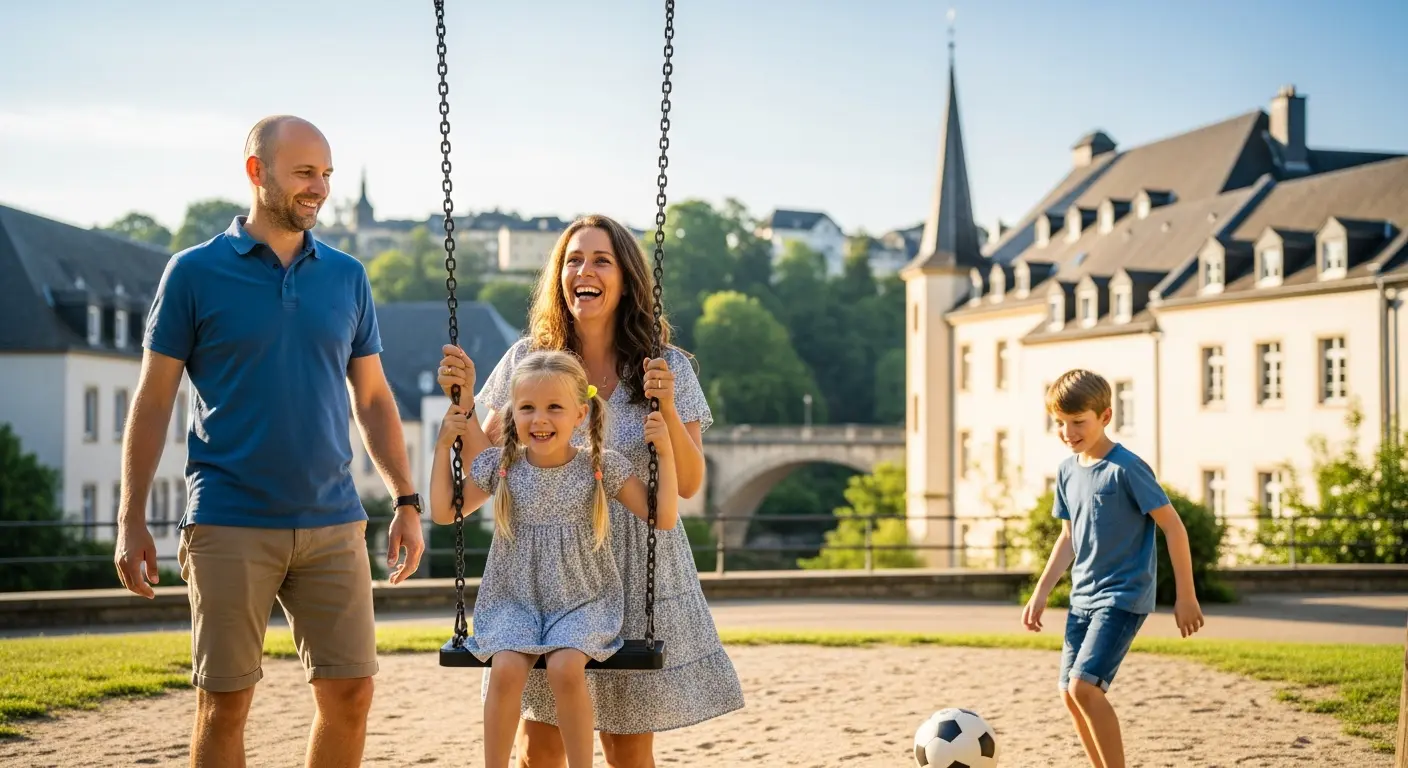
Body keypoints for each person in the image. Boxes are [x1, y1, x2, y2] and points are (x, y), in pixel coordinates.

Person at [112, 115, 426, 768]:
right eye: (305, 173)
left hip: (333, 521)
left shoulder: (347, 277)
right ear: (257, 172)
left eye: (327, 175)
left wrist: (405, 499)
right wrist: (130, 517)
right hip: (229, 519)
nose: (320, 188)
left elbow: (371, 399)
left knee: (352, 694)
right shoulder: (193, 273)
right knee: (224, 704)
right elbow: (152, 401)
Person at [436, 213, 744, 767]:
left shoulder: (664, 365)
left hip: (637, 567)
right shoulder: (529, 361)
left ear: (625, 277)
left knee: (627, 749)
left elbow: (691, 483)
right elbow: (488, 470)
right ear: (559, 276)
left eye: (601, 259)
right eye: (573, 259)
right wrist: (459, 409)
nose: (585, 269)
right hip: (545, 575)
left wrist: (667, 409)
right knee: (540, 746)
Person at [429, 350, 678, 768]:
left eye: (554, 408)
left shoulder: (599, 467)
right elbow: (443, 512)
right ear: (513, 414)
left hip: (582, 600)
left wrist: (665, 454)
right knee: (505, 667)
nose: (539, 419)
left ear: (580, 414)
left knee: (565, 667)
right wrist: (442, 447)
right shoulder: (501, 467)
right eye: (526, 408)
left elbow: (663, 516)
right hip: (514, 600)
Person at [1022, 369, 1205, 768]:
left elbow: (1173, 527)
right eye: (1060, 423)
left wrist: (1186, 596)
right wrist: (1041, 591)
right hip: (1081, 598)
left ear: (1105, 416)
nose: (1068, 432)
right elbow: (1069, 536)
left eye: (1078, 422)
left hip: (1122, 597)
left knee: (1084, 686)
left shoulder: (1127, 468)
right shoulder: (1067, 471)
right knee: (1069, 694)